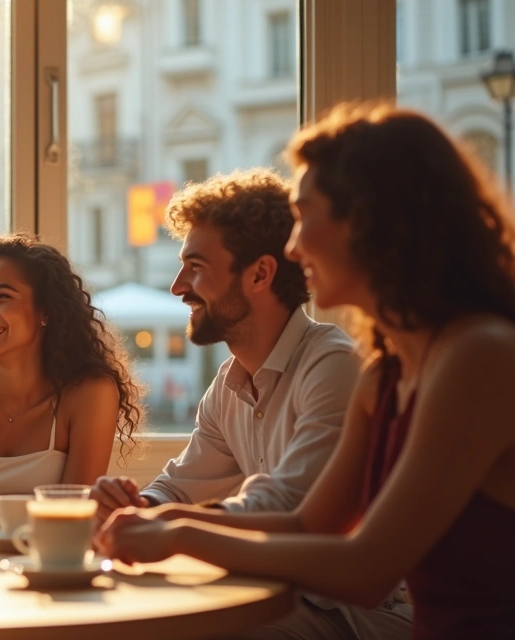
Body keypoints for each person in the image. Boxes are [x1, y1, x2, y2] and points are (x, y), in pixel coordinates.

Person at [97, 103, 515, 639]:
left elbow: (366, 569)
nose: (294, 246)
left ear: (366, 221)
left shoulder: (477, 356)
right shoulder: (384, 374)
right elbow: (307, 525)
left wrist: (177, 536)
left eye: (306, 214)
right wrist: (166, 520)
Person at [90, 168, 411, 638]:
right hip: (282, 595)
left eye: (195, 266)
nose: (178, 286)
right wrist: (139, 504)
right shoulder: (228, 383)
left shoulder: (335, 364)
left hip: (357, 614)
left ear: (260, 273)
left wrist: (165, 526)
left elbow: (288, 507)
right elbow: (180, 486)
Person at [0, 233, 144, 523]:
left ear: (45, 311)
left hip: (50, 563)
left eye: (2, 296)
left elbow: (71, 519)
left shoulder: (90, 394)